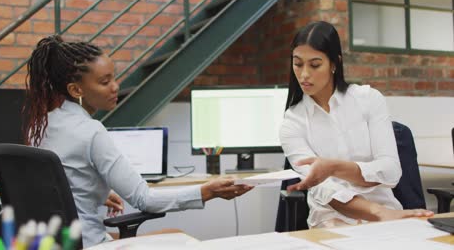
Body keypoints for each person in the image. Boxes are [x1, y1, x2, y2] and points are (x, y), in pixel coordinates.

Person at [23, 35, 253, 247]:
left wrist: (98, 194)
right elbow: (145, 199)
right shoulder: (90, 131)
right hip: (89, 243)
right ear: (75, 89)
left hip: (55, 243)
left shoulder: (39, 126)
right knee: (178, 237)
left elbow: (62, 185)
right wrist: (207, 191)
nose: (116, 87)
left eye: (114, 77)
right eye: (104, 82)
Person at [279, 21, 433, 228]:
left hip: (389, 214)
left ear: (334, 64)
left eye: (315, 65)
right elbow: (325, 191)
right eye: (297, 64)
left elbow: (390, 172)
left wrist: (333, 167)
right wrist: (378, 212)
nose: (304, 74)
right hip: (331, 219)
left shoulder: (369, 99)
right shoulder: (292, 122)